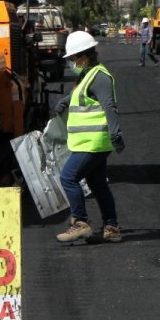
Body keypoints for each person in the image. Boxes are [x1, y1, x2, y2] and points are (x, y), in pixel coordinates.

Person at [54, 31, 125, 243]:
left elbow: (109, 106)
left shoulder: (99, 76)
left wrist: (116, 134)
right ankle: (111, 227)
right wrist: (66, 101)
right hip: (89, 142)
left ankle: (80, 223)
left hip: (93, 143)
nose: (71, 63)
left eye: (72, 59)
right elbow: (82, 95)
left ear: (83, 56)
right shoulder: (88, 74)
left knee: (68, 177)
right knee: (98, 184)